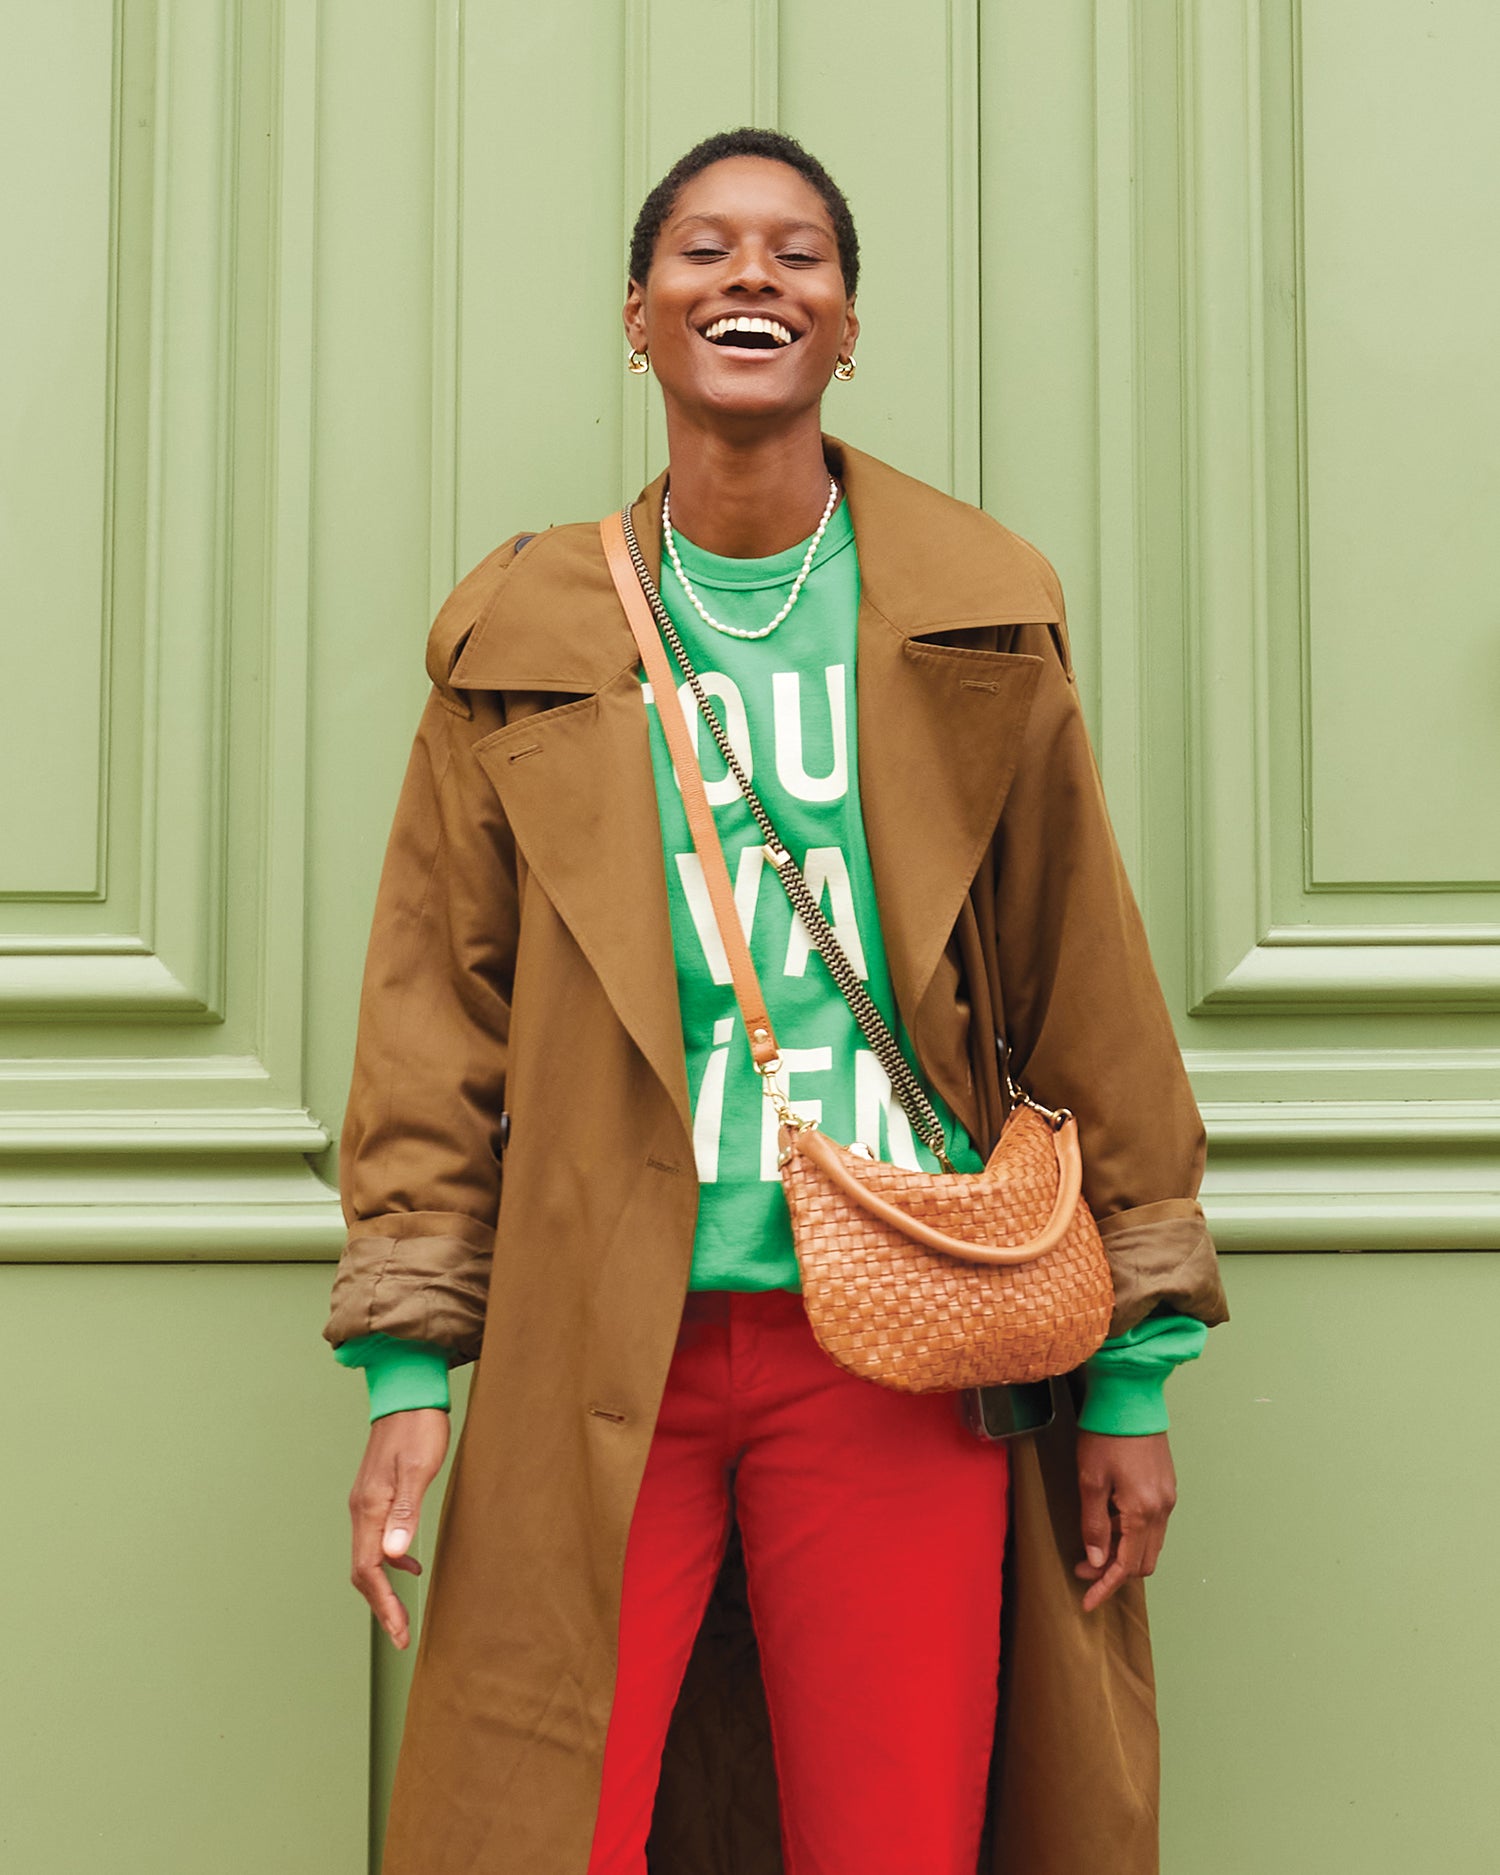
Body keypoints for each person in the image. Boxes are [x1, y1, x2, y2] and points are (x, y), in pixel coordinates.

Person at [323, 126, 1227, 1875]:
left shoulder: (978, 616)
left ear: (849, 323)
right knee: (536, 1825)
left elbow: (1086, 997)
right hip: (602, 1338)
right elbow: (435, 1012)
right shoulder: (523, 637)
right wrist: (404, 1371)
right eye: (706, 251)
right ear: (640, 319)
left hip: (903, 1339)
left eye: (800, 252)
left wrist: (1133, 1380)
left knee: (895, 1829)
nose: (754, 276)